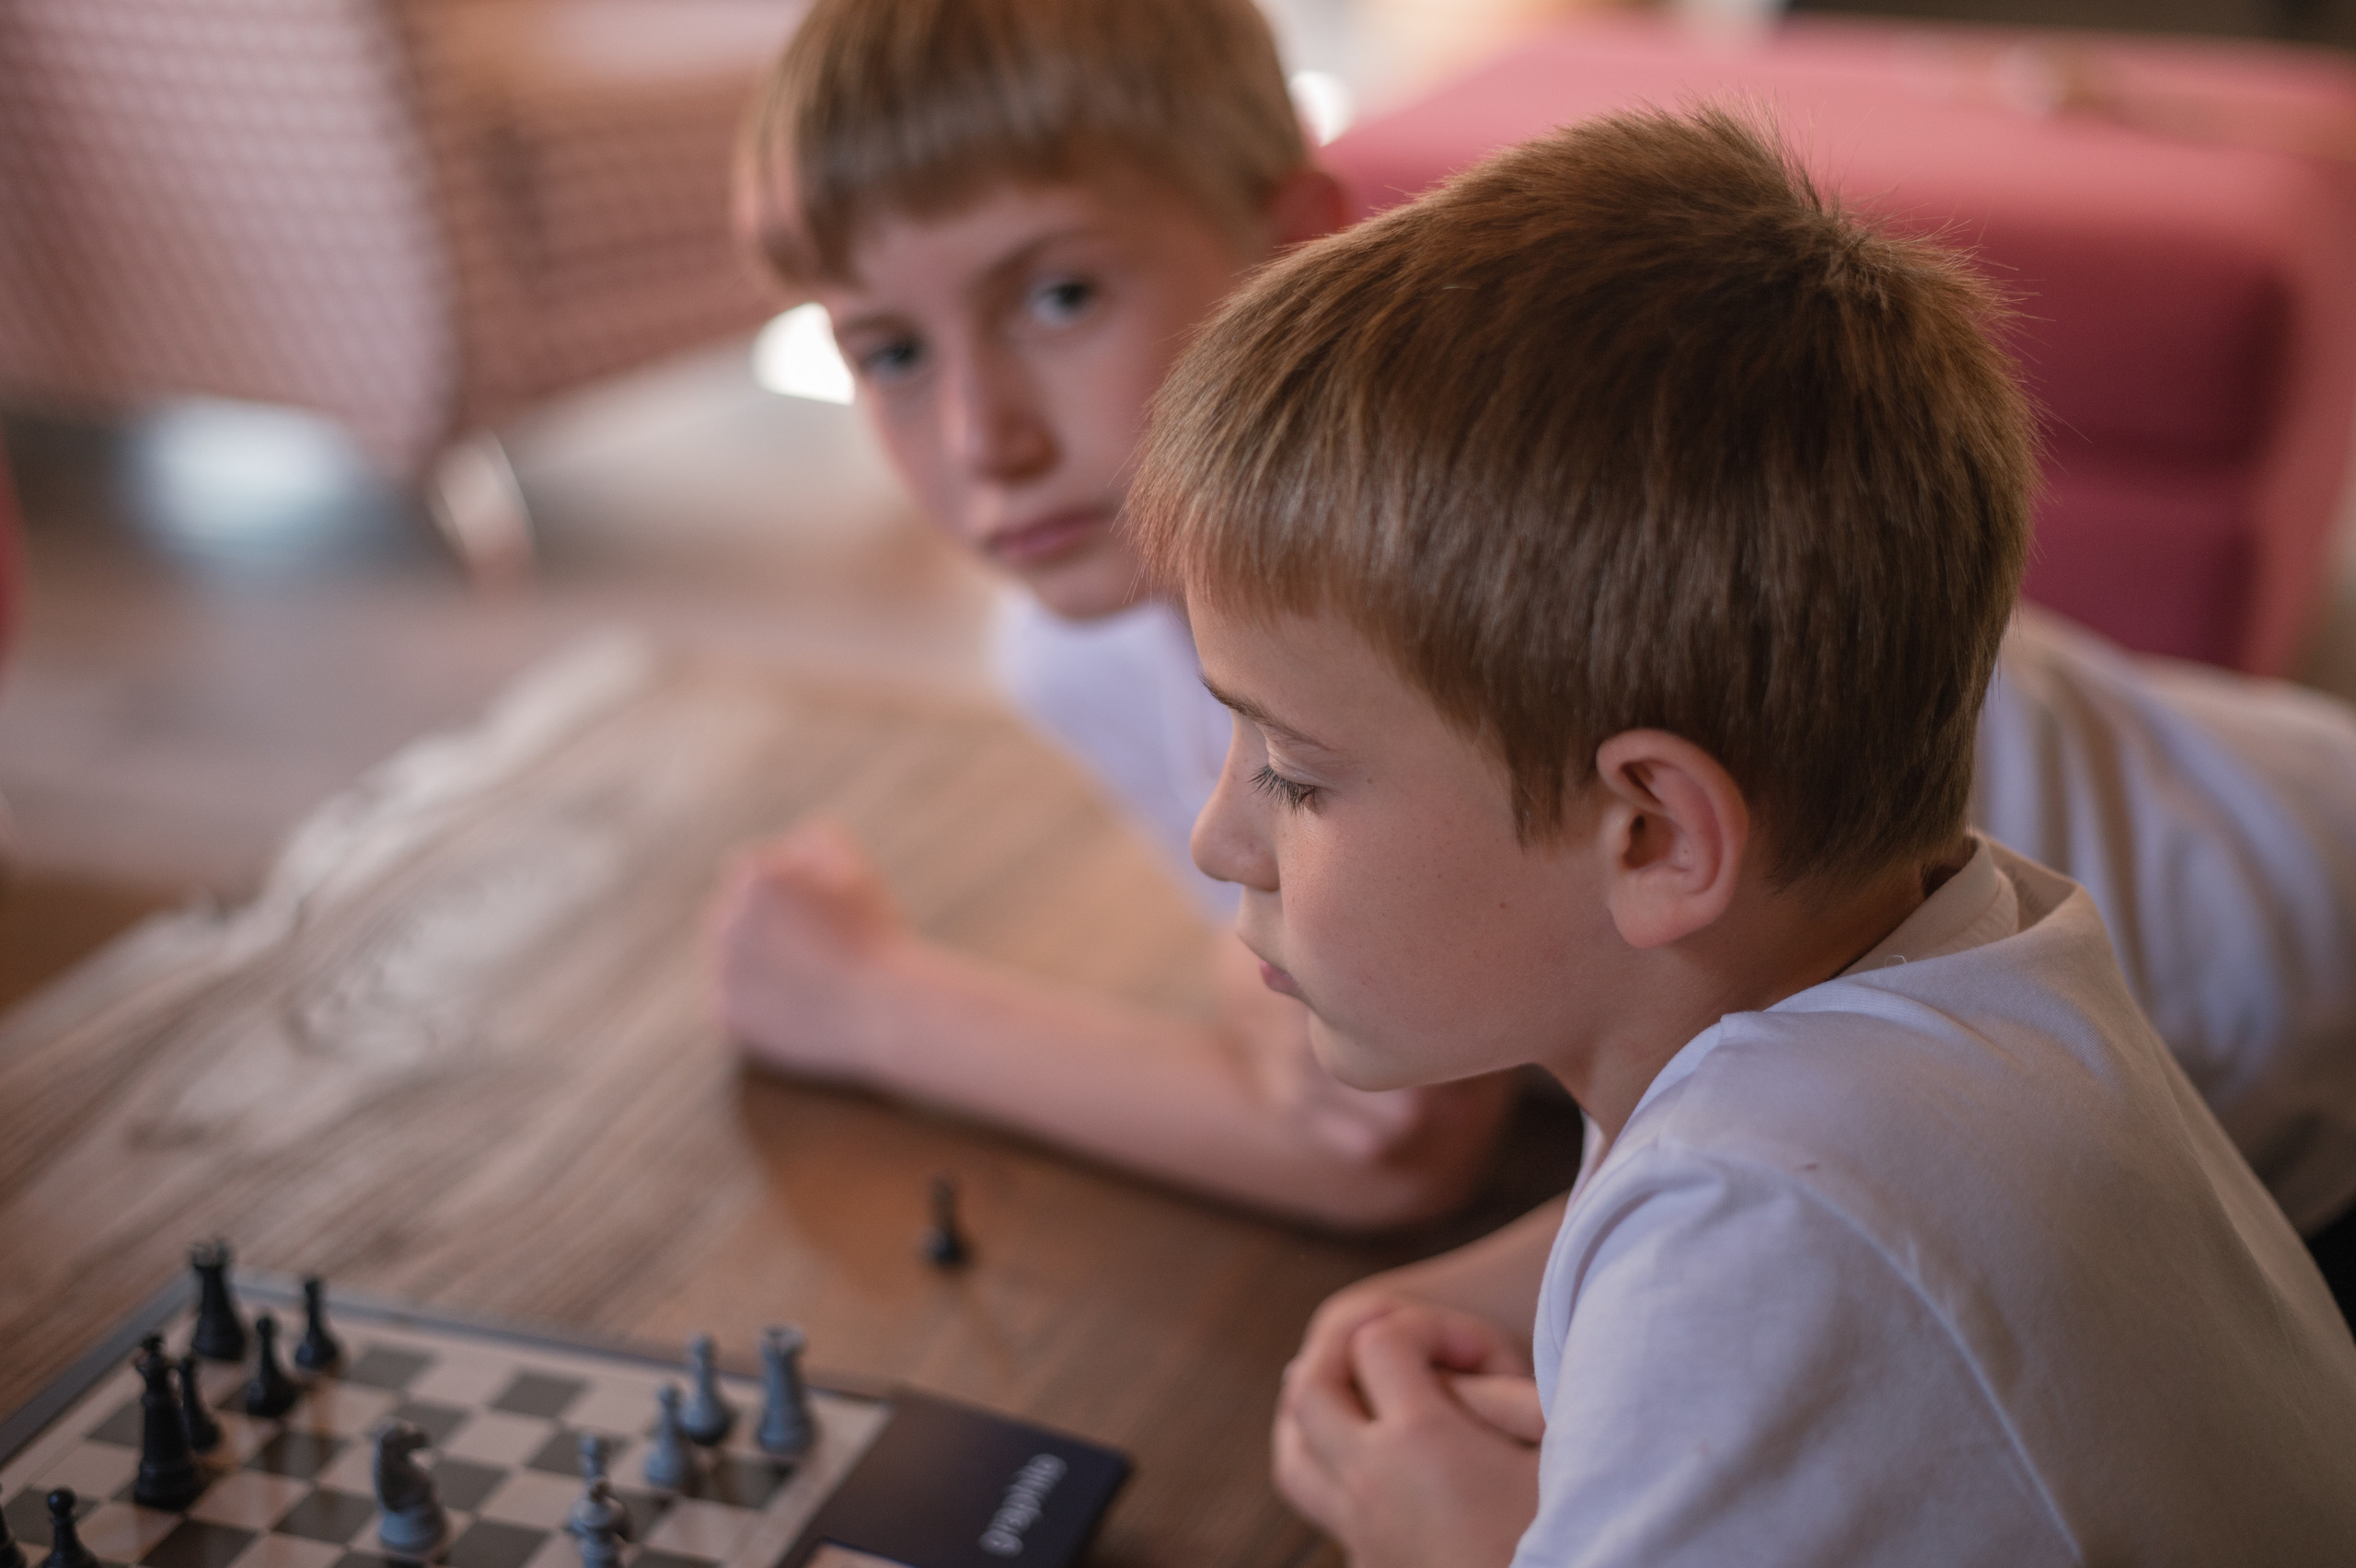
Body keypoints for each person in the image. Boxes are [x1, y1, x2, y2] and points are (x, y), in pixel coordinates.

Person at [714, 0, 2356, 1255]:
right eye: (887, 351)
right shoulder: (1066, 643)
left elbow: (1376, 1151)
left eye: (1058, 295)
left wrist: (868, 1000)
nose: (982, 437)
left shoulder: (1416, 591)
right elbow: (1340, 1027)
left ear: (1292, 231)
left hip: (2299, 1036)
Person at [1128, 105, 2356, 1564]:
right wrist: (1500, 1299)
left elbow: (1786, 1246)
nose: (1220, 837)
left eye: (1293, 770)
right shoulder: (1961, 954)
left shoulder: (1759, 1233)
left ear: (1654, 838)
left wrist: (1458, 1545)